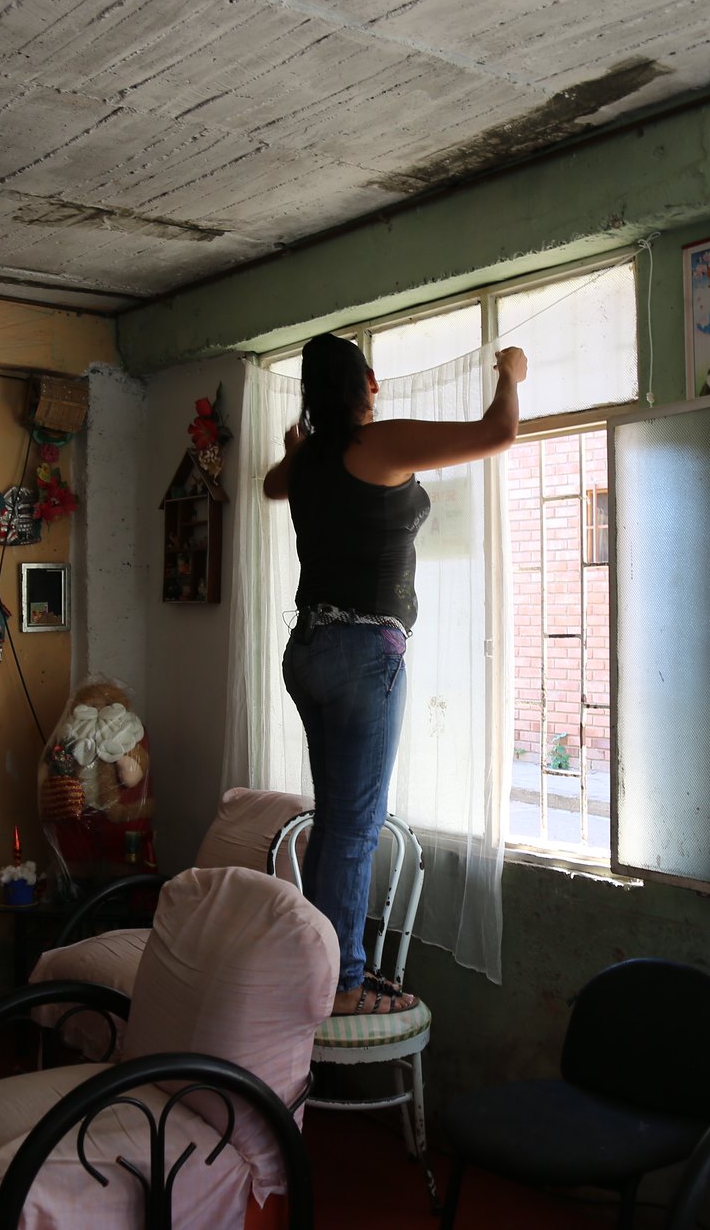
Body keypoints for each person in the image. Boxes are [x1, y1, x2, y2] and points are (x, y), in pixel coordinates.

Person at [263, 334, 528, 1016]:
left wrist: (296, 447)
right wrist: (511, 374)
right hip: (360, 653)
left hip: (309, 649)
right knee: (354, 828)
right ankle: (344, 984)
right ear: (369, 383)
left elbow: (270, 484)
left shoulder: (309, 460)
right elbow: (499, 432)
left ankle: (319, 970)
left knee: (335, 823)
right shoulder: (373, 446)